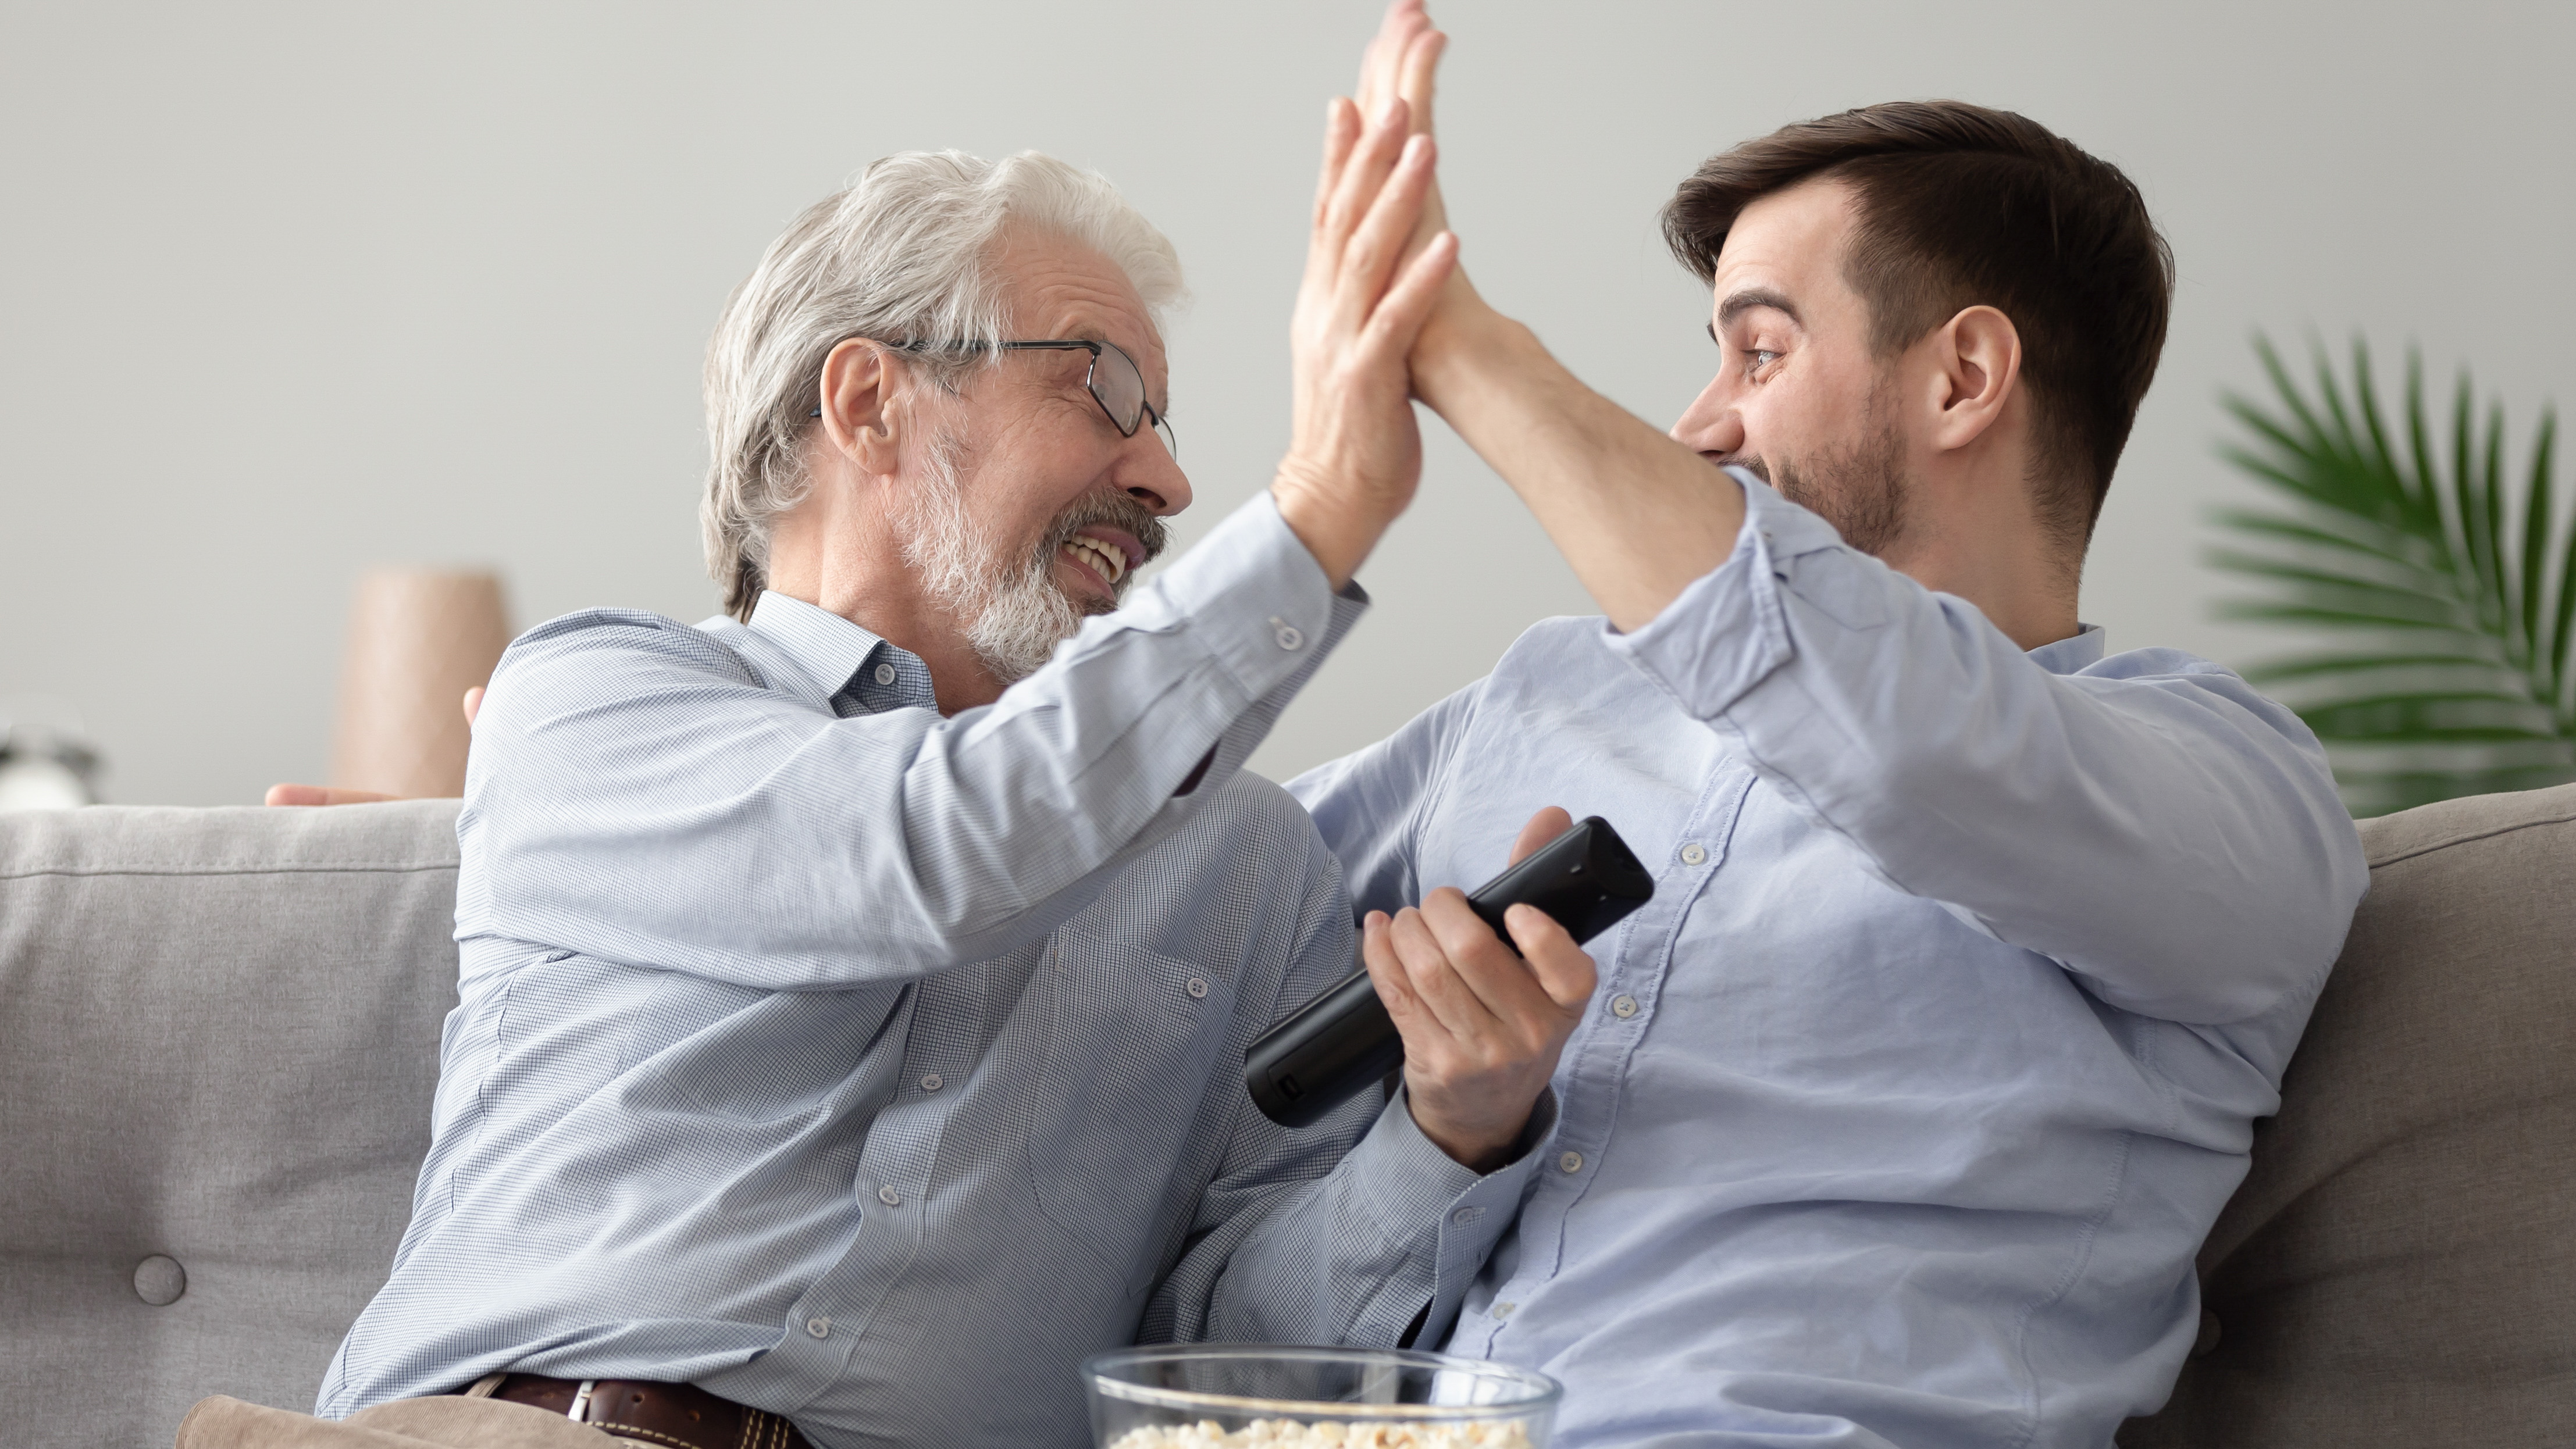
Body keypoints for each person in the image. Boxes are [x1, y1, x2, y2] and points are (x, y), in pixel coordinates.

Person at [211, 117, 1602, 1449]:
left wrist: (1449, 1132)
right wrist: (1324, 502)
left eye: (1168, 422)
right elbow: (929, 852)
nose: (1171, 479)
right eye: (1104, 386)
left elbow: (1215, 1354)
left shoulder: (1245, 859)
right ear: (870, 403)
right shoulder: (594, 700)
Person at [1280, 6, 2370, 1447]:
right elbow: (1178, 921)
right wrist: (1447, 1130)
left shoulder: (2233, 799)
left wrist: (1460, 352)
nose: (1699, 422)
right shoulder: (1548, 699)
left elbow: (1916, 744)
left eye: (1759, 351)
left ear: (1963, 378)